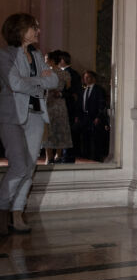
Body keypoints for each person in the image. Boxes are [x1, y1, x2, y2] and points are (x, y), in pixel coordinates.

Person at [0, 14, 58, 235]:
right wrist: (40, 82)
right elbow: (14, 84)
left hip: (35, 116)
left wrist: (35, 82)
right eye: (34, 27)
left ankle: (17, 213)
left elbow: (53, 81)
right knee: (19, 165)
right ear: (19, 30)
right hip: (11, 116)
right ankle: (2, 208)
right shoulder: (4, 54)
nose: (38, 31)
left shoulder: (36, 55)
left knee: (30, 167)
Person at [42, 50, 73, 164]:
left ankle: (48, 157)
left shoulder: (45, 72)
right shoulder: (65, 73)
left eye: (46, 59)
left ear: (51, 60)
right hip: (60, 103)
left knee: (48, 130)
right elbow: (68, 88)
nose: (44, 61)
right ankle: (58, 155)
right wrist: (60, 92)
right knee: (59, 129)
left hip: (49, 103)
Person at [57, 51, 82, 163]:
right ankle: (66, 157)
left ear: (62, 60)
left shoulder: (71, 74)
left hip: (68, 108)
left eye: (59, 59)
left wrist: (60, 94)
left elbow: (74, 94)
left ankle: (67, 158)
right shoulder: (68, 72)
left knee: (68, 133)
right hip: (65, 107)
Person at [78, 71, 107, 162]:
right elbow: (80, 103)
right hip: (85, 116)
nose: (86, 79)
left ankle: (96, 157)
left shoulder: (99, 90)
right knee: (85, 137)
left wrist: (98, 116)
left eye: (88, 77)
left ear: (93, 78)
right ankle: (86, 156)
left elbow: (102, 104)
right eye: (85, 78)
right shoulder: (84, 89)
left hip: (94, 117)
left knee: (96, 138)